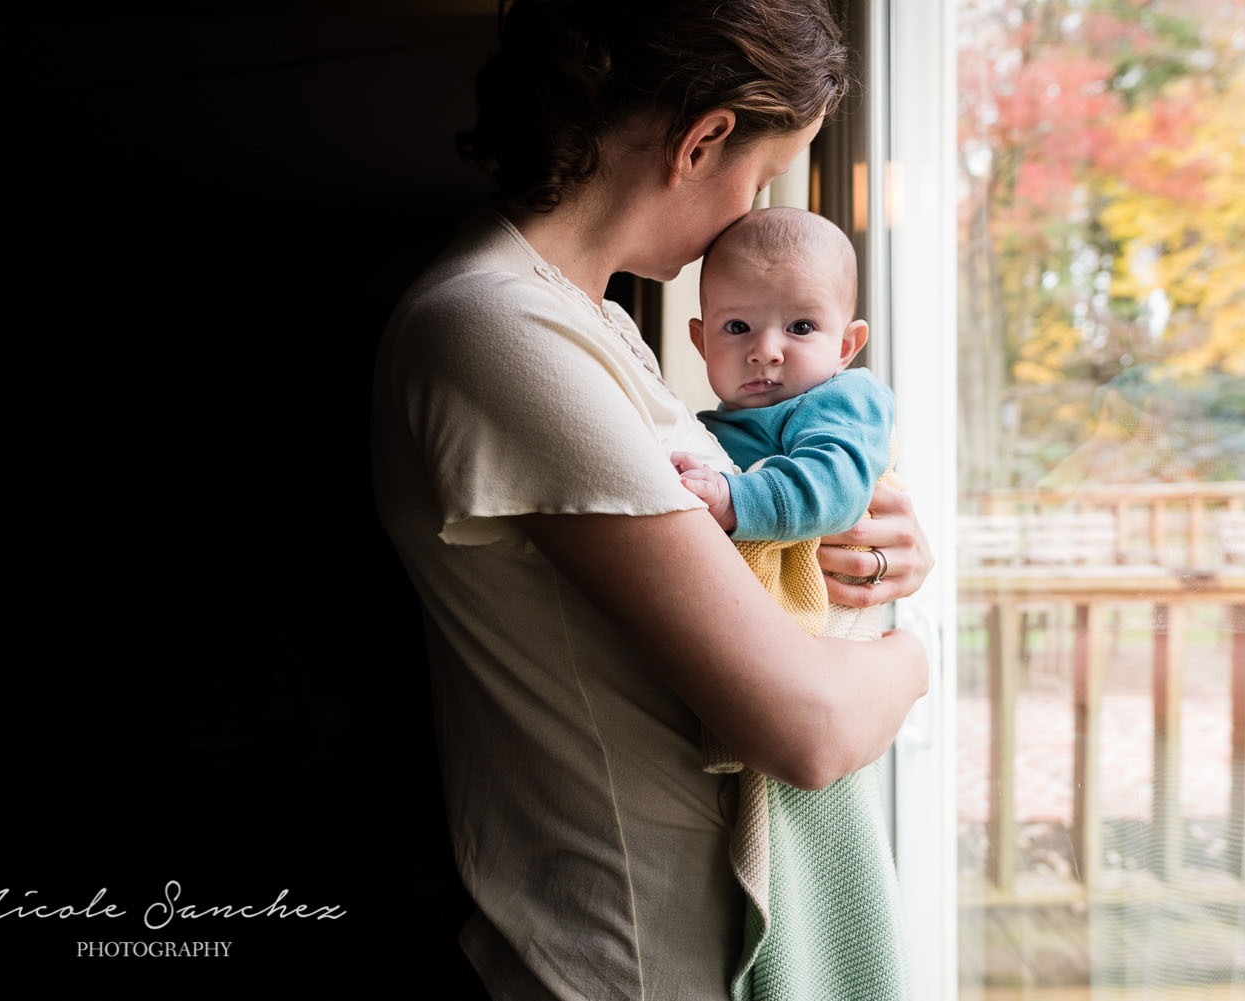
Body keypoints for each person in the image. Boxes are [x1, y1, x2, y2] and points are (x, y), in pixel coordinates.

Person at [370, 2, 934, 999]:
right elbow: (806, 726)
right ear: (704, 138)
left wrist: (862, 558)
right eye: (760, 178)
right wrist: (913, 648)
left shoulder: (583, 323)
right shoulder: (500, 331)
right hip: (627, 958)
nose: (757, 211)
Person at [673, 206, 912, 1001]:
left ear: (846, 345)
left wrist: (734, 502)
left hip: (830, 634)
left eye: (801, 325)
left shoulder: (845, 403)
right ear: (702, 340)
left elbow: (834, 486)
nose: (766, 350)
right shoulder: (714, 425)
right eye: (738, 326)